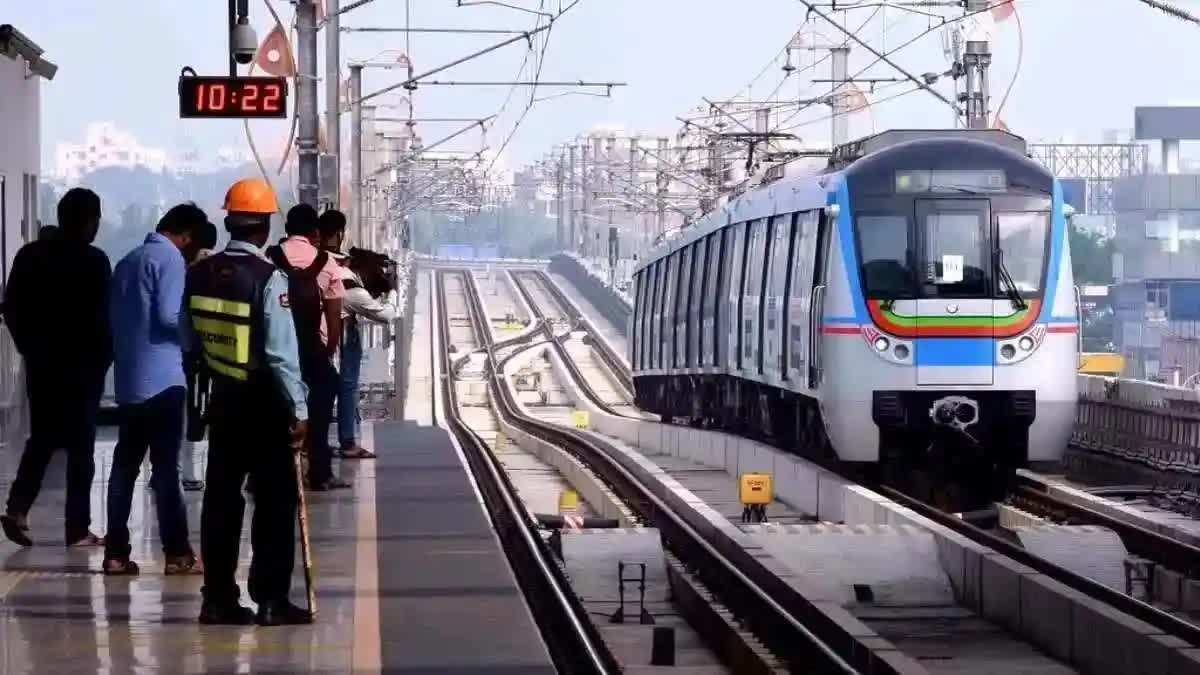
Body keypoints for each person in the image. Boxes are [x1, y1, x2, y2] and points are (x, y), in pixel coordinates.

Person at [184, 177, 311, 625]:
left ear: (229, 221)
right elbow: (280, 354)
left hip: (223, 398)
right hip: (265, 403)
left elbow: (188, 338)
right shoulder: (268, 278)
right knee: (275, 502)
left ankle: (217, 598)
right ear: (263, 225)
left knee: (221, 500)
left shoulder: (198, 274)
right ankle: (272, 599)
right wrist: (299, 410)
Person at [103, 203, 211, 575]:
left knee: (124, 468)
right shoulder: (170, 261)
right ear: (187, 236)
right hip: (164, 381)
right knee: (166, 469)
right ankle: (178, 552)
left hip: (131, 380)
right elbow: (169, 315)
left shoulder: (129, 261)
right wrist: (197, 339)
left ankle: (115, 552)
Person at [1, 188, 111, 547]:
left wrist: (29, 347)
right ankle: (77, 527)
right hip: (82, 368)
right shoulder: (94, 261)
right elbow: (104, 317)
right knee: (81, 448)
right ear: (90, 221)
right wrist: (105, 358)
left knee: (43, 439)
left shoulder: (30, 255)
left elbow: (12, 307)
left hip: (43, 365)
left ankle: (17, 507)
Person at [267, 205, 346, 490]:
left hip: (276, 347)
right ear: (315, 232)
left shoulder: (271, 257)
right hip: (313, 349)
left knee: (277, 410)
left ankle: (268, 473)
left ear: (286, 229)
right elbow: (335, 318)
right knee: (321, 409)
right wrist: (328, 352)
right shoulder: (327, 263)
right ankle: (320, 472)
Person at [318, 210, 395, 459]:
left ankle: (318, 442)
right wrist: (391, 291)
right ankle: (348, 442)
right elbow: (385, 315)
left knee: (320, 388)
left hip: (314, 334)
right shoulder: (343, 277)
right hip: (340, 334)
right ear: (340, 234)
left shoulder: (315, 262)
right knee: (347, 386)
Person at [182, 218, 219, 492]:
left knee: (189, 412)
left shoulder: (187, 271)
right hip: (216, 350)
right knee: (204, 411)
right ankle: (196, 471)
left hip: (188, 349)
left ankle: (185, 471)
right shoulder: (218, 269)